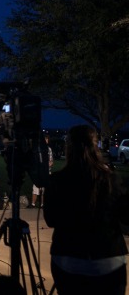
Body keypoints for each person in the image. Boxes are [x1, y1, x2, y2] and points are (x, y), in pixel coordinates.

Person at [43, 125, 129, 295]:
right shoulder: (112, 179)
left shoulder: (58, 180)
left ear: (69, 148)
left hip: (68, 259)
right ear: (95, 146)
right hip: (108, 260)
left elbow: (51, 219)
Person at [28, 134, 53, 208]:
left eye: (47, 139)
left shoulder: (49, 149)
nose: (46, 141)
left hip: (46, 172)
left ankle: (42, 204)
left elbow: (51, 162)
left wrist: (49, 164)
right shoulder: (38, 149)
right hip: (38, 173)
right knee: (35, 189)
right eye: (44, 139)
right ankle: (33, 204)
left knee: (44, 190)